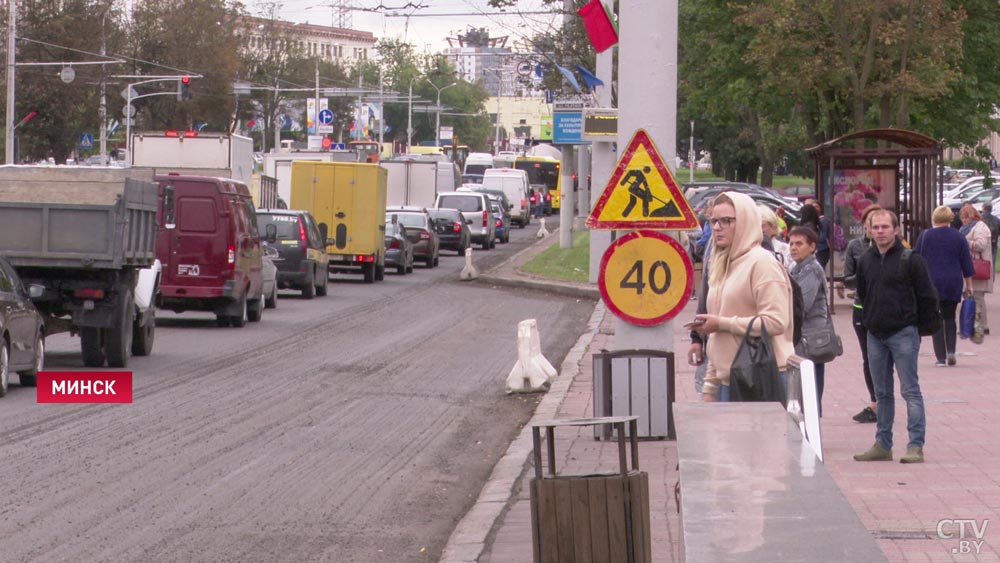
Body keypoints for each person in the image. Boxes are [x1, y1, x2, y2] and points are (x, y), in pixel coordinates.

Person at [693, 192, 795, 402]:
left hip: (761, 377)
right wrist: (710, 386)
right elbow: (717, 334)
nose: (717, 227)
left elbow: (776, 322)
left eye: (726, 221)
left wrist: (722, 323)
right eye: (713, 221)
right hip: (728, 379)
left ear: (746, 221)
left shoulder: (762, 263)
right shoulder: (724, 262)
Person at [854, 209, 938, 464]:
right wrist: (867, 322)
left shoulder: (911, 259)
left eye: (884, 227)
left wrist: (918, 329)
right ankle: (883, 443)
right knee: (882, 393)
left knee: (910, 390)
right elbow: (863, 294)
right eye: (875, 227)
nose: (880, 231)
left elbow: (927, 297)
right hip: (875, 334)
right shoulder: (866, 260)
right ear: (869, 230)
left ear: (896, 230)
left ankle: (915, 445)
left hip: (903, 332)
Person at [914, 206, 974, 366]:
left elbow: (915, 259)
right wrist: (969, 285)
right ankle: (951, 352)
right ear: (950, 219)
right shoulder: (959, 237)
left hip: (931, 282)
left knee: (936, 317)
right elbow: (966, 263)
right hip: (953, 281)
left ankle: (940, 357)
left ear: (934, 218)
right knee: (950, 317)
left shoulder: (925, 236)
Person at [843, 204, 881, 423]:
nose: (874, 228)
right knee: (869, 357)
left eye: (879, 224)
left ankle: (885, 400)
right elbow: (847, 278)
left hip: (886, 309)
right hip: (862, 308)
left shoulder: (892, 247)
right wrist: (864, 276)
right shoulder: (855, 247)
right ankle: (875, 401)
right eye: (870, 223)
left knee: (885, 356)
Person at [787, 226, 829, 415]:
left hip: (810, 339)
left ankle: (812, 438)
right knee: (805, 389)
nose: (793, 248)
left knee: (809, 391)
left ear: (812, 247)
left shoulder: (810, 269)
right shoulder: (798, 268)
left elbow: (801, 305)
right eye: (791, 243)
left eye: (799, 244)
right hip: (804, 339)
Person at [959, 203, 993, 336]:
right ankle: (972, 325)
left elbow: (980, 245)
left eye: (965, 217)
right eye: (962, 217)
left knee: (977, 296)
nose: (963, 220)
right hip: (969, 266)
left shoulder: (980, 227)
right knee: (968, 296)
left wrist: (964, 242)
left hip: (977, 267)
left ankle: (982, 326)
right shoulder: (965, 228)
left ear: (972, 216)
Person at [760, 205, 792, 269]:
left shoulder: (785, 249)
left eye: (762, 226)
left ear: (773, 227)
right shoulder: (746, 248)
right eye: (756, 225)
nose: (759, 229)